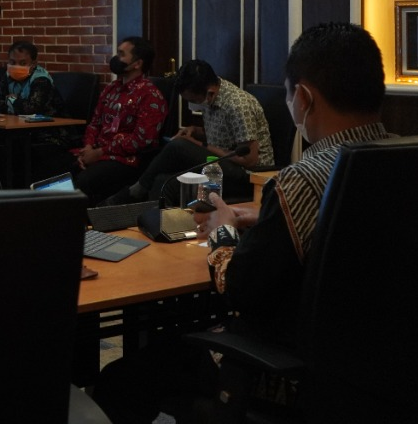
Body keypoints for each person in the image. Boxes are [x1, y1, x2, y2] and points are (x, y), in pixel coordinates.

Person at [91, 22, 393, 423]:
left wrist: (222, 228)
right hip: (380, 368)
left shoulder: (301, 179)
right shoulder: (405, 159)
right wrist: (265, 219)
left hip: (282, 371)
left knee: (120, 378)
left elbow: (240, 289)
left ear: (303, 97)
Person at [106, 59, 274, 206]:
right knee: (161, 182)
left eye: (193, 100)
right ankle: (157, 228)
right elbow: (223, 134)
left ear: (210, 92)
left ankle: (134, 191)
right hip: (219, 165)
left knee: (179, 146)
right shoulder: (214, 96)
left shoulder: (238, 106)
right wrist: (195, 131)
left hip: (249, 177)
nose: (192, 104)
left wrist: (198, 145)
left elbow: (250, 159)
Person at [72, 37, 166, 203]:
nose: (116, 59)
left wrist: (100, 153)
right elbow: (95, 123)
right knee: (56, 168)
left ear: (137, 64)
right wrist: (87, 147)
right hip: (96, 151)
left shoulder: (150, 95)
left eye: (121, 54)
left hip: (125, 159)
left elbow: (142, 140)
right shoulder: (111, 88)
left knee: (83, 181)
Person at [0, 39, 69, 182]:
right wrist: (16, 104)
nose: (16, 66)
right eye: (12, 62)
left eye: (23, 63)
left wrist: (10, 100)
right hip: (18, 132)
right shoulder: (8, 77)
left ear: (33, 64)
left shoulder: (41, 80)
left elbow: (31, 108)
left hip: (48, 133)